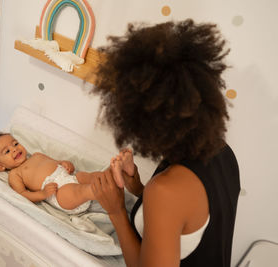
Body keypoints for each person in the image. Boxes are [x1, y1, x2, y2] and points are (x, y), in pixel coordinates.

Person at [90, 19, 240, 267]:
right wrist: (140, 189)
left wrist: (116, 211)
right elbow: (188, 222)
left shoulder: (165, 191)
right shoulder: (222, 150)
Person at [0, 132, 132, 214]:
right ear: (0, 167)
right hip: (57, 193)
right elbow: (22, 194)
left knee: (85, 176)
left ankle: (114, 173)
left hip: (69, 178)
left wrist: (67, 165)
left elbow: (58, 163)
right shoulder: (14, 174)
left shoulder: (36, 155)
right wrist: (42, 194)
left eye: (15, 143)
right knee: (77, 191)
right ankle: (99, 189)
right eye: (7, 151)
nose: (14, 149)